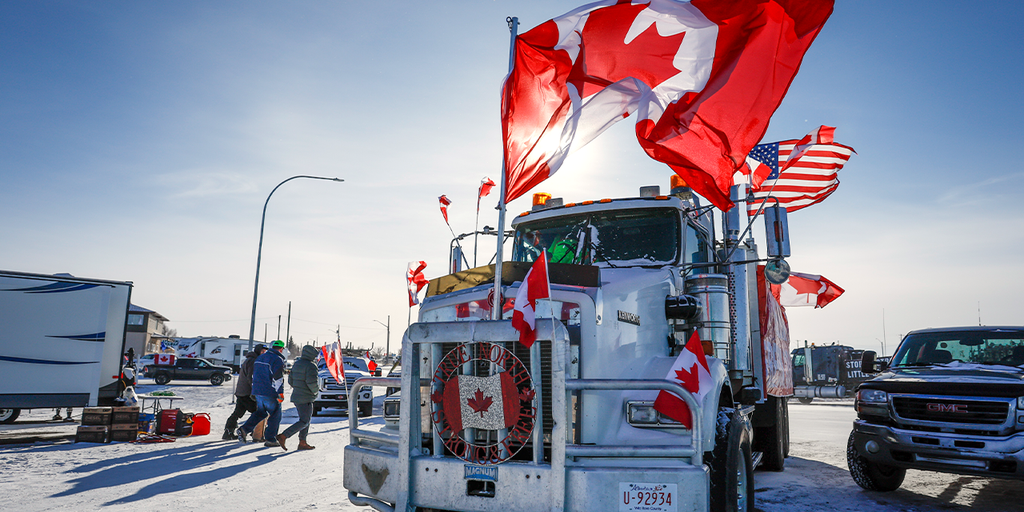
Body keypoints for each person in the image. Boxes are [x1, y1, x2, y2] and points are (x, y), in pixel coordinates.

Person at [237, 340, 287, 447]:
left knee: (261, 412)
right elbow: (278, 378)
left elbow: (254, 375)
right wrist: (280, 393)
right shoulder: (277, 359)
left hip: (258, 391)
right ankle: (271, 439)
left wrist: (254, 390)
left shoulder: (260, 358)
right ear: (281, 349)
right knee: (275, 415)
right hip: (269, 392)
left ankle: (244, 429)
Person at [275, 345, 321, 451]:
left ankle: (302, 442)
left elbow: (290, 380)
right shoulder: (311, 366)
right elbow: (312, 383)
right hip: (306, 397)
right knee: (304, 421)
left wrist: (298, 387)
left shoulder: (297, 364)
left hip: (297, 395)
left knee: (305, 420)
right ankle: (284, 436)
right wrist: (315, 392)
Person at [222, 344, 266, 440]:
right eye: (262, 351)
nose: (264, 353)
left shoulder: (250, 360)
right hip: (248, 393)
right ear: (258, 351)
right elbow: (252, 378)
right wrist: (255, 391)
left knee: (238, 413)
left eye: (265, 352)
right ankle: (253, 432)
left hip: (241, 392)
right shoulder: (253, 361)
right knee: (258, 413)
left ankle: (228, 431)